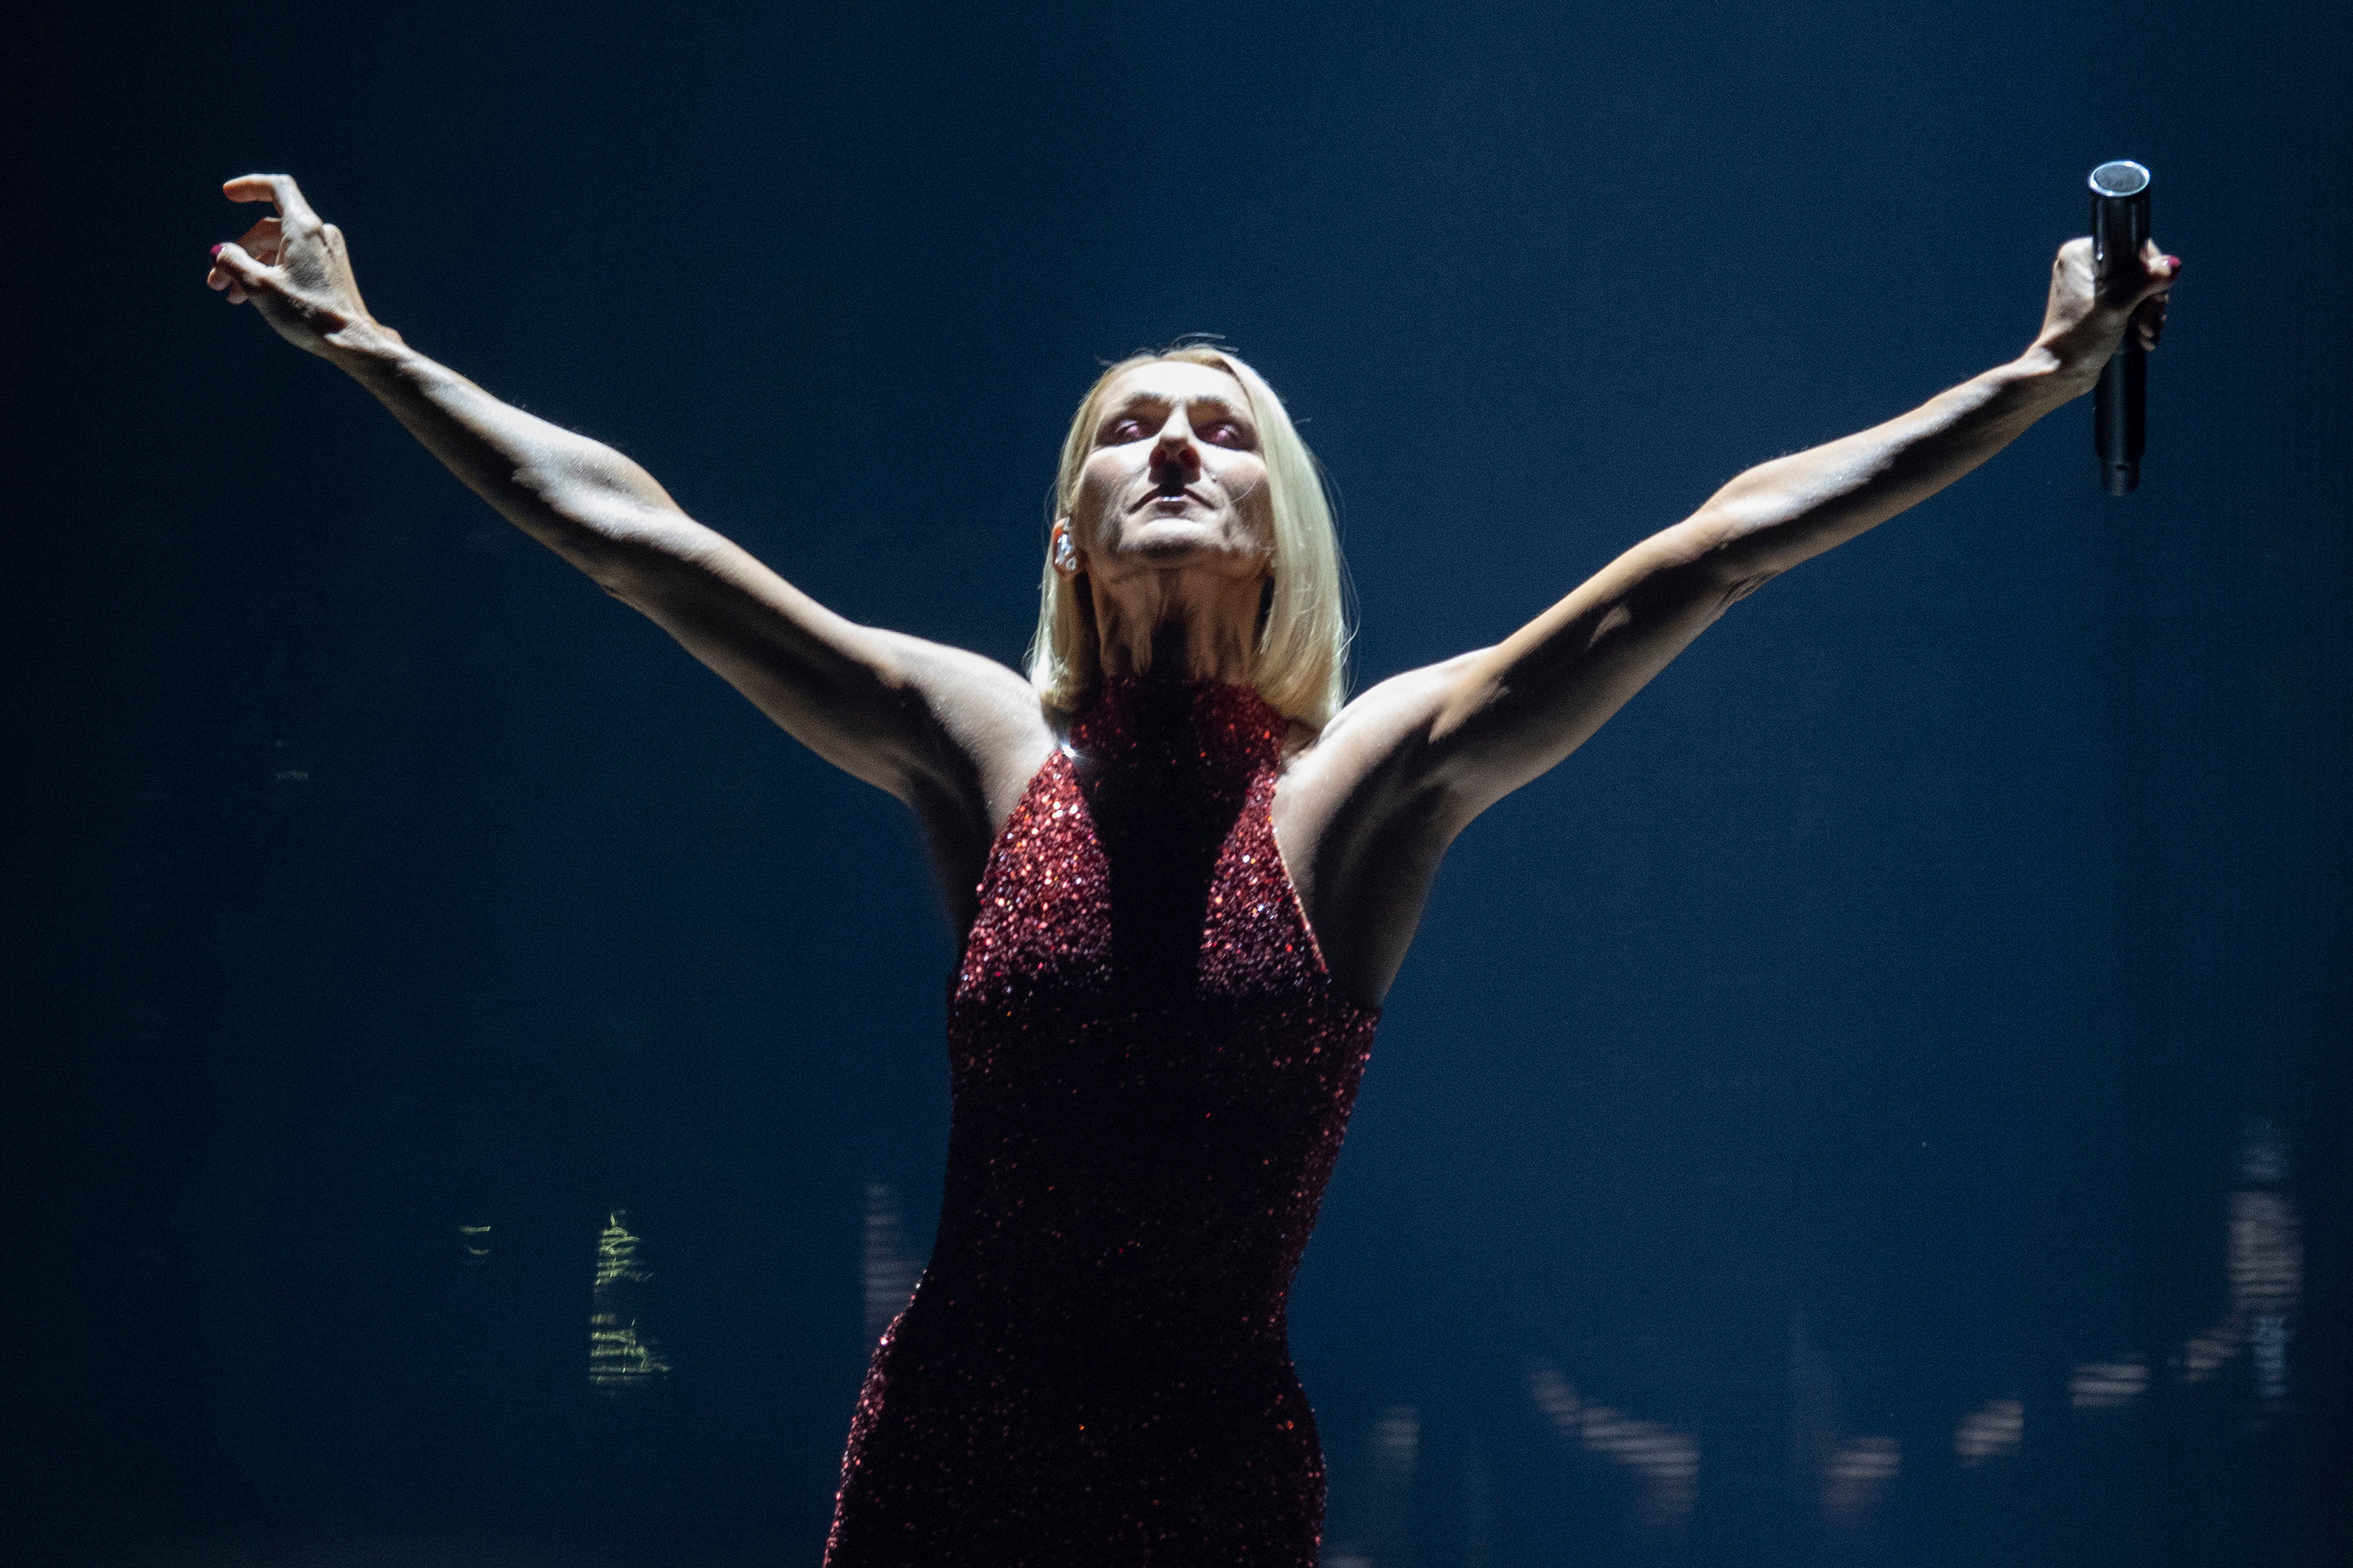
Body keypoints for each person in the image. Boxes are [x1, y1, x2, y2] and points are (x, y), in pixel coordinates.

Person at [205, 172, 2176, 1566]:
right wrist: (372, 346)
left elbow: (1711, 545)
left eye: (1217, 433)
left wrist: (2023, 383)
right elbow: (642, 538)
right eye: (1127, 429)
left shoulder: (1362, 787)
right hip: (940, 1476)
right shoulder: (988, 750)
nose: (1170, 449)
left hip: (1209, 1486)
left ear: (1275, 529)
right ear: (1067, 527)